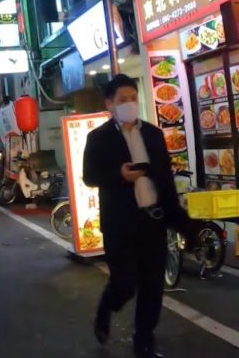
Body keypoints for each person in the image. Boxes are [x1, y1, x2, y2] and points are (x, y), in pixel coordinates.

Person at [83, 74, 187, 358]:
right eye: (122, 100)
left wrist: (179, 219)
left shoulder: (153, 134)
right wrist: (120, 175)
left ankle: (144, 339)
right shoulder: (99, 138)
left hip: (152, 221)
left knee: (153, 285)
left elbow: (165, 179)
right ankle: (107, 307)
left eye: (133, 98)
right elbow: (89, 176)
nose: (129, 104)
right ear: (110, 104)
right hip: (120, 225)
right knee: (125, 282)